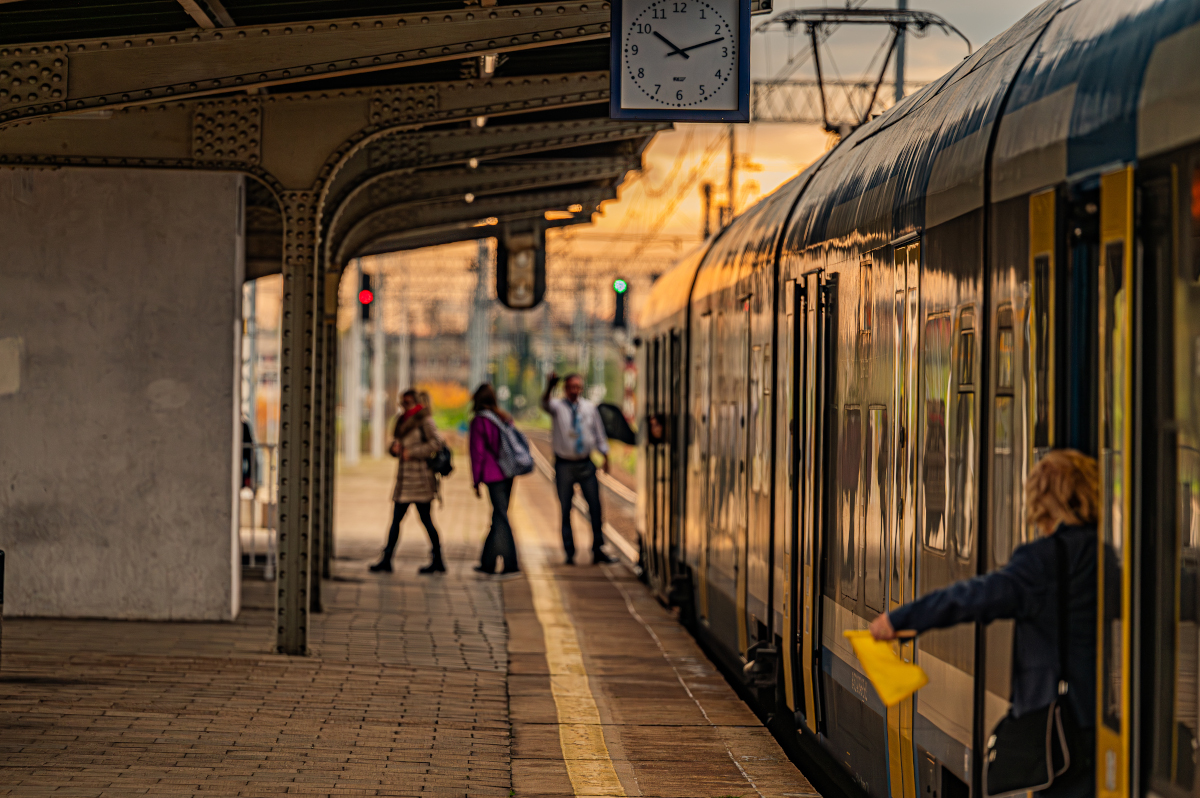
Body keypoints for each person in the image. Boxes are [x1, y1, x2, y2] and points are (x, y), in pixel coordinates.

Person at [869, 449, 1099, 797]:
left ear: (1041, 499)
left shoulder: (1045, 560)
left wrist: (900, 619)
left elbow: (974, 596)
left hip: (1061, 728)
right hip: (1112, 722)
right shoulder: (1112, 552)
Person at [540, 371, 614, 565]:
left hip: (585, 463)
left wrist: (605, 455)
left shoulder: (589, 408)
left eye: (578, 387)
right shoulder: (557, 406)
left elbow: (598, 431)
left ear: (581, 389)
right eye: (571, 387)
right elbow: (545, 403)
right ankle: (569, 551)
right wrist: (550, 386)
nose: (575, 391)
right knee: (566, 509)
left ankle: (598, 548)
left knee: (595, 507)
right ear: (565, 389)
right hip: (564, 464)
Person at [369, 388, 445, 574]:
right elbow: (396, 444)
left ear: (416, 402)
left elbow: (436, 443)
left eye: (407, 402)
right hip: (404, 480)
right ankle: (387, 559)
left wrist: (413, 453)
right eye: (402, 402)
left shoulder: (424, 420)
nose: (404, 406)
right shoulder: (402, 421)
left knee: (426, 520)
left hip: (420, 479)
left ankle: (438, 560)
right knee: (396, 520)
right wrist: (394, 449)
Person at [469, 384, 520, 577]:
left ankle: (511, 563)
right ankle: (487, 562)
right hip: (509, 473)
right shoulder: (503, 417)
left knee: (501, 517)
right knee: (499, 516)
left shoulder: (480, 421)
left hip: (493, 474)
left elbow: (478, 453)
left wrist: (476, 480)